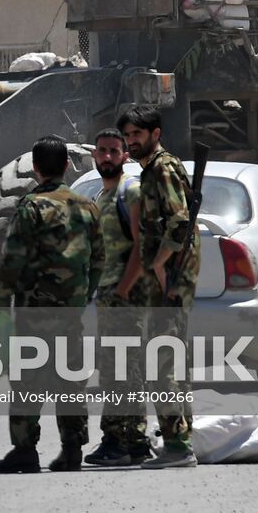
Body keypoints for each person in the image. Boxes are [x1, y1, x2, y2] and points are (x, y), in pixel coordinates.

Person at [0, 135, 103, 475]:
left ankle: (25, 450)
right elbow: (99, 260)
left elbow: (13, 259)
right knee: (70, 378)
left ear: (35, 169)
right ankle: (72, 449)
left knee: (27, 379)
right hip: (70, 311)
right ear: (66, 165)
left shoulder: (30, 208)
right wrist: (83, 296)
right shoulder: (87, 207)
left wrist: (2, 302)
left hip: (34, 311)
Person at [118, 104, 200, 469]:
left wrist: (159, 265)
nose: (131, 141)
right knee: (171, 358)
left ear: (156, 134)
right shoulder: (154, 168)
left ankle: (178, 445)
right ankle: (181, 438)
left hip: (171, 276)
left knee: (161, 359)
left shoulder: (162, 167)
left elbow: (179, 220)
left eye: (137, 134)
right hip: (169, 276)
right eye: (127, 135)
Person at [83, 127, 153, 467]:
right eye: (102, 151)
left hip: (126, 295)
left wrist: (124, 288)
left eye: (114, 151)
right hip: (109, 295)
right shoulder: (102, 196)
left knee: (120, 369)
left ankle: (118, 440)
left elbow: (143, 245)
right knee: (121, 368)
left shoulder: (131, 191)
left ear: (125, 155)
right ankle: (134, 441)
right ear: (94, 156)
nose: (107, 156)